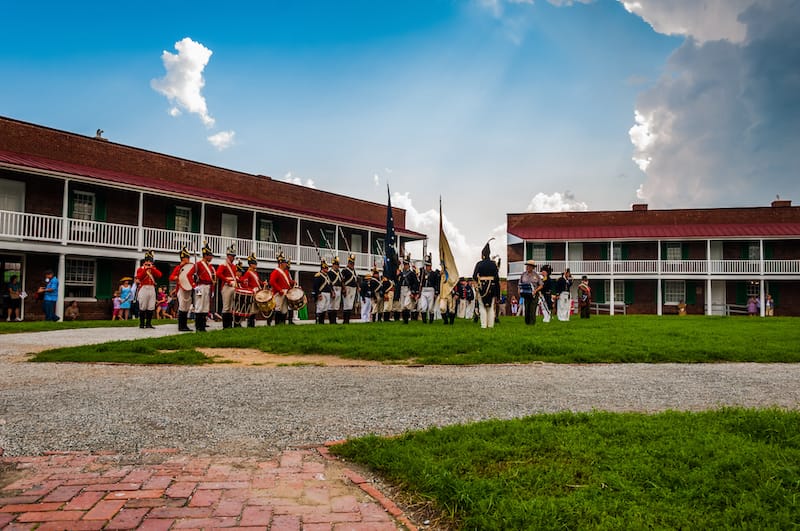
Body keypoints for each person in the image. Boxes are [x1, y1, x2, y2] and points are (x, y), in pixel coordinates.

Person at [472, 240, 501, 329]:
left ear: (483, 255)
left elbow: (474, 276)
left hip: (482, 288)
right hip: (492, 287)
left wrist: (479, 280)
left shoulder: (479, 264)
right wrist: (497, 293)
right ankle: (490, 325)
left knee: (482, 306)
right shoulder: (493, 264)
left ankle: (484, 325)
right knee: (491, 307)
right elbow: (496, 279)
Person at [190, 242, 216, 332]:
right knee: (199, 306)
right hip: (200, 287)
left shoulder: (209, 266)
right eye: (210, 255)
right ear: (206, 256)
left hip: (207, 286)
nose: (211, 257)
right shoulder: (199, 264)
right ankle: (198, 327)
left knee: (205, 306)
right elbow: (190, 275)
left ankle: (203, 326)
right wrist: (194, 284)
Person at [135, 250, 163, 329]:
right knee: (143, 306)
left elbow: (159, 275)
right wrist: (145, 269)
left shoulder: (153, 269)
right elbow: (139, 277)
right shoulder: (140, 269)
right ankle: (141, 323)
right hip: (144, 288)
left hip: (151, 288)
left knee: (151, 306)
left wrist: (152, 268)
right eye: (148, 261)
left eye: (150, 261)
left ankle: (148, 324)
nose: (149, 262)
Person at [169, 247, 195, 332]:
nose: (188, 259)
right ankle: (181, 326)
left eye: (188, 258)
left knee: (187, 307)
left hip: (188, 288)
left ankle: (185, 325)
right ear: (183, 258)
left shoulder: (191, 267)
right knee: (182, 307)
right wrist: (177, 277)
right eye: (186, 258)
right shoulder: (178, 268)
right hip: (181, 288)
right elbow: (171, 277)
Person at [216, 245, 240, 329]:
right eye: (232, 256)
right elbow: (218, 274)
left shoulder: (233, 266)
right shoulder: (223, 264)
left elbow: (234, 276)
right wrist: (227, 281)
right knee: (226, 306)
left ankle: (229, 325)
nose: (233, 258)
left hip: (233, 285)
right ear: (228, 256)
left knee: (230, 307)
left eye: (234, 256)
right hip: (226, 286)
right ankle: (225, 326)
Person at [269, 252, 295, 325]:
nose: (286, 264)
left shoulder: (285, 272)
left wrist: (293, 282)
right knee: (278, 308)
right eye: (284, 263)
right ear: (281, 263)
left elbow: (288, 282)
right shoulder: (276, 271)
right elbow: (272, 282)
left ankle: (282, 323)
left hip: (285, 291)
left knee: (284, 309)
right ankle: (277, 323)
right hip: (279, 292)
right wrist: (279, 289)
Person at [238, 253, 263, 328]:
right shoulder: (248, 273)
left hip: (257, 291)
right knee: (252, 310)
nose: (255, 265)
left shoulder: (254, 272)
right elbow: (245, 283)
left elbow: (258, 281)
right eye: (254, 263)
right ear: (251, 264)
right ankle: (250, 324)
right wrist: (250, 290)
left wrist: (263, 283)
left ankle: (252, 323)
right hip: (252, 292)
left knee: (255, 309)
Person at [418, 254, 440, 324]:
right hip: (424, 290)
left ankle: (431, 321)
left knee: (431, 307)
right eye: (426, 266)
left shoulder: (434, 274)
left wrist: (436, 292)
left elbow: (437, 283)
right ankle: (424, 321)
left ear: (431, 266)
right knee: (423, 306)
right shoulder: (422, 273)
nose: (427, 267)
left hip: (431, 290)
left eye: (428, 266)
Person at [398, 255, 420, 324]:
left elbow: (415, 283)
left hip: (408, 289)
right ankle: (405, 320)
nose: (405, 266)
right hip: (402, 289)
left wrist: (413, 292)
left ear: (409, 265)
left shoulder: (412, 274)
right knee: (402, 306)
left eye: (406, 264)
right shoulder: (401, 274)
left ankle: (406, 320)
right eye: (404, 264)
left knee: (406, 305)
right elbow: (399, 282)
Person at [518, 259, 541, 326]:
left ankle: (532, 323)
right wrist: (519, 290)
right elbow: (520, 283)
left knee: (532, 309)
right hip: (526, 294)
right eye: (527, 266)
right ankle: (527, 323)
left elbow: (541, 285)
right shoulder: (523, 275)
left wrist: (535, 291)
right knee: (527, 309)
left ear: (533, 267)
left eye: (529, 266)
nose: (527, 267)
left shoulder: (536, 275)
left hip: (534, 294)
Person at [340, 254, 359, 324]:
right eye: (351, 263)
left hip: (353, 289)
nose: (352, 264)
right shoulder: (345, 270)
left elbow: (355, 280)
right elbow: (342, 280)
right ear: (348, 263)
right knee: (347, 304)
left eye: (353, 263)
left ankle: (347, 320)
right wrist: (343, 288)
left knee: (350, 305)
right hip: (347, 288)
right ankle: (345, 320)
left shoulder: (353, 271)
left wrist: (358, 287)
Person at [312, 259, 332, 324]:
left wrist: (332, 292)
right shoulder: (318, 275)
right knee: (320, 307)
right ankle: (318, 321)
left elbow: (329, 285)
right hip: (322, 293)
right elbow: (316, 286)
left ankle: (322, 321)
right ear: (322, 268)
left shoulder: (327, 276)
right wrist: (318, 294)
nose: (327, 270)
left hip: (327, 293)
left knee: (325, 308)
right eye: (326, 268)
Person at [327, 256, 343, 324]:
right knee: (331, 305)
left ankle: (334, 320)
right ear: (333, 265)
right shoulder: (330, 273)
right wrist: (332, 291)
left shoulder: (339, 273)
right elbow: (329, 283)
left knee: (336, 306)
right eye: (336, 265)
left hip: (339, 289)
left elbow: (341, 281)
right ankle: (331, 321)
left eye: (338, 265)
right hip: (333, 288)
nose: (337, 266)